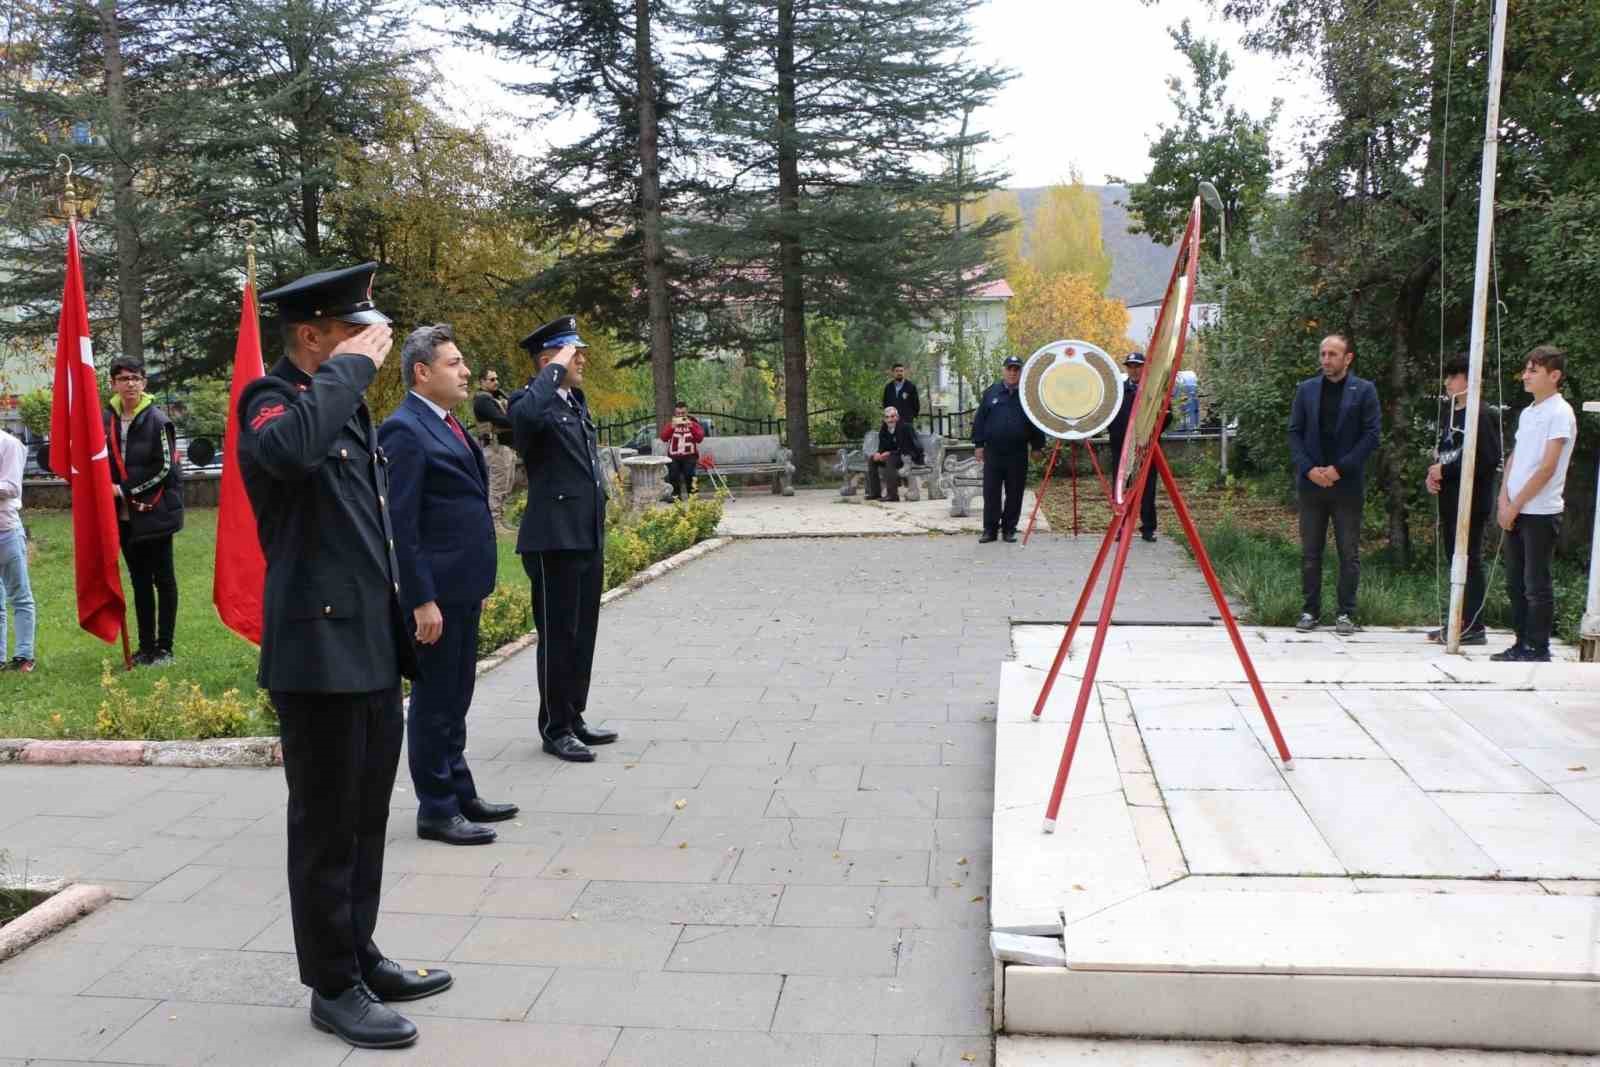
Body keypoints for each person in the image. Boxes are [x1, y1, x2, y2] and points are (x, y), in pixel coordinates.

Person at [241, 262, 445, 1050]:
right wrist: (356, 366)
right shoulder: (272, 402)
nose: (369, 347)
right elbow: (291, 454)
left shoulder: (346, 410)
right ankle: (331, 984)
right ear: (309, 335)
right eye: (351, 333)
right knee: (325, 825)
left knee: (365, 818)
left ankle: (359, 953)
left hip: (365, 642)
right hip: (314, 651)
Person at [380, 324, 516, 847]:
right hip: (435, 596)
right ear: (421, 372)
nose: (465, 372)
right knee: (436, 699)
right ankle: (435, 807)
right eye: (454, 363)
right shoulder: (404, 430)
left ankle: (459, 790)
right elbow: (403, 526)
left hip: (462, 585)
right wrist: (421, 600)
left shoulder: (447, 422)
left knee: (456, 693)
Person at [510, 315, 619, 762]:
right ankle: (554, 727)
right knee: (558, 635)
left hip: (583, 533)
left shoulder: (574, 404)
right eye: (575, 353)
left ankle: (573, 715)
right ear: (548, 359)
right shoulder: (530, 403)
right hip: (552, 539)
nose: (583, 360)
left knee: (582, 632)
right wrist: (553, 370)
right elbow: (524, 419)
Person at [1287, 333, 1381, 636]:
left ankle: (1345, 613)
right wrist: (1309, 469)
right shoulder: (1306, 390)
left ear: (1348, 358)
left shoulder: (1364, 391)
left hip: (1346, 485)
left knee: (1348, 553)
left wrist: (1339, 469)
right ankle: (1309, 610)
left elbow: (1371, 436)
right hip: (1311, 484)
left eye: (1333, 354)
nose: (1326, 360)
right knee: (1310, 552)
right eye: (1323, 354)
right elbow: (1294, 433)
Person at [1491, 345, 1577, 663]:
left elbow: (1547, 466)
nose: (1526, 376)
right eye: (1526, 369)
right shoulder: (1529, 412)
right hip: (1515, 507)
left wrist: (1517, 505)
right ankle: (1520, 641)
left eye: (1534, 371)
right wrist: (1504, 499)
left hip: (1540, 512)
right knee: (1515, 581)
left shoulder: (1560, 412)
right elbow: (1516, 457)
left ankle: (1537, 646)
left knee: (1535, 583)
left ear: (1553, 376)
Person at [103, 356, 184, 665]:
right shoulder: (106, 419)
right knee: (138, 581)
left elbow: (165, 467)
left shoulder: (159, 420)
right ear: (113, 384)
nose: (130, 384)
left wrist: (124, 489)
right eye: (123, 379)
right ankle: (145, 646)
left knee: (163, 579)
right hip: (123, 518)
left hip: (156, 511)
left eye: (136, 378)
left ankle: (164, 648)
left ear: (144, 382)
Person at [1425, 356, 1502, 645]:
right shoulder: (1450, 413)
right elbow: (1446, 452)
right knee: (1453, 560)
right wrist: (1433, 474)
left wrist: (1445, 470)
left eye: (1453, 376)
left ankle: (1474, 626)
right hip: (1449, 497)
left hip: (1472, 500)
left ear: (1469, 380)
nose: (1447, 382)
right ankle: (1456, 620)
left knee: (1468, 560)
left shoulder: (1482, 415)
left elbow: (1486, 458)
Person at [972, 355, 1045, 543]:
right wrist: (978, 444)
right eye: (1010, 369)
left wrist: (1037, 446)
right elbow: (980, 419)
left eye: (1016, 369)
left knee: (1015, 492)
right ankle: (989, 530)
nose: (1013, 373)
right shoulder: (991, 392)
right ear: (1003, 370)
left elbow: (1036, 422)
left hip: (1017, 452)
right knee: (991, 492)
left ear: (1021, 372)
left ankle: (1009, 529)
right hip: (993, 452)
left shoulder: (1028, 395)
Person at [1105, 351, 1169, 543]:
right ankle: (1120, 527)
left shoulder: (1153, 392)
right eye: (1130, 366)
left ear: (1144, 368)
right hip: (1122, 449)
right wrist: (1119, 436)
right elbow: (1110, 417)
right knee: (1120, 489)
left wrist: (1149, 434)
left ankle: (1148, 528)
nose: (1134, 370)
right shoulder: (1118, 392)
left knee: (1147, 490)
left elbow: (1167, 415)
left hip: (1146, 449)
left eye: (1137, 366)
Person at [0, 426, 36, 673]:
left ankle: (24, 656)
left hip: (6, 531)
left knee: (20, 595)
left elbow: (11, 486)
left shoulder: (9, 444)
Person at [472, 367, 517, 529]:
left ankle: (500, 520)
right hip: (495, 447)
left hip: (505, 447)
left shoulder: (495, 397)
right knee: (497, 486)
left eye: (496, 379)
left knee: (507, 484)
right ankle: (494, 523)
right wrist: (518, 417)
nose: (496, 382)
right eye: (491, 379)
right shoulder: (482, 400)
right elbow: (500, 420)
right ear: (482, 382)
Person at [865, 404, 924, 502]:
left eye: (892, 416)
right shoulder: (883, 430)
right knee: (872, 460)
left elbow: (909, 447)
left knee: (889, 460)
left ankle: (892, 495)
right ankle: (875, 493)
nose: (890, 419)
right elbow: (882, 447)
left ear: (897, 417)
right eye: (887, 417)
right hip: (892, 456)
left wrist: (889, 453)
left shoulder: (906, 427)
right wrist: (878, 453)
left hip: (906, 456)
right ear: (884, 419)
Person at [659, 399, 704, 500]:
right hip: (674, 456)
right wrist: (672, 427)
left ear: (687, 412)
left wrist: (691, 426)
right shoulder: (671, 424)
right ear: (675, 413)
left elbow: (700, 439)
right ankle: (675, 496)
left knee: (690, 475)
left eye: (683, 413)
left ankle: (693, 496)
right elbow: (663, 437)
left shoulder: (694, 424)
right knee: (673, 475)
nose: (680, 415)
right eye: (678, 413)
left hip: (690, 456)